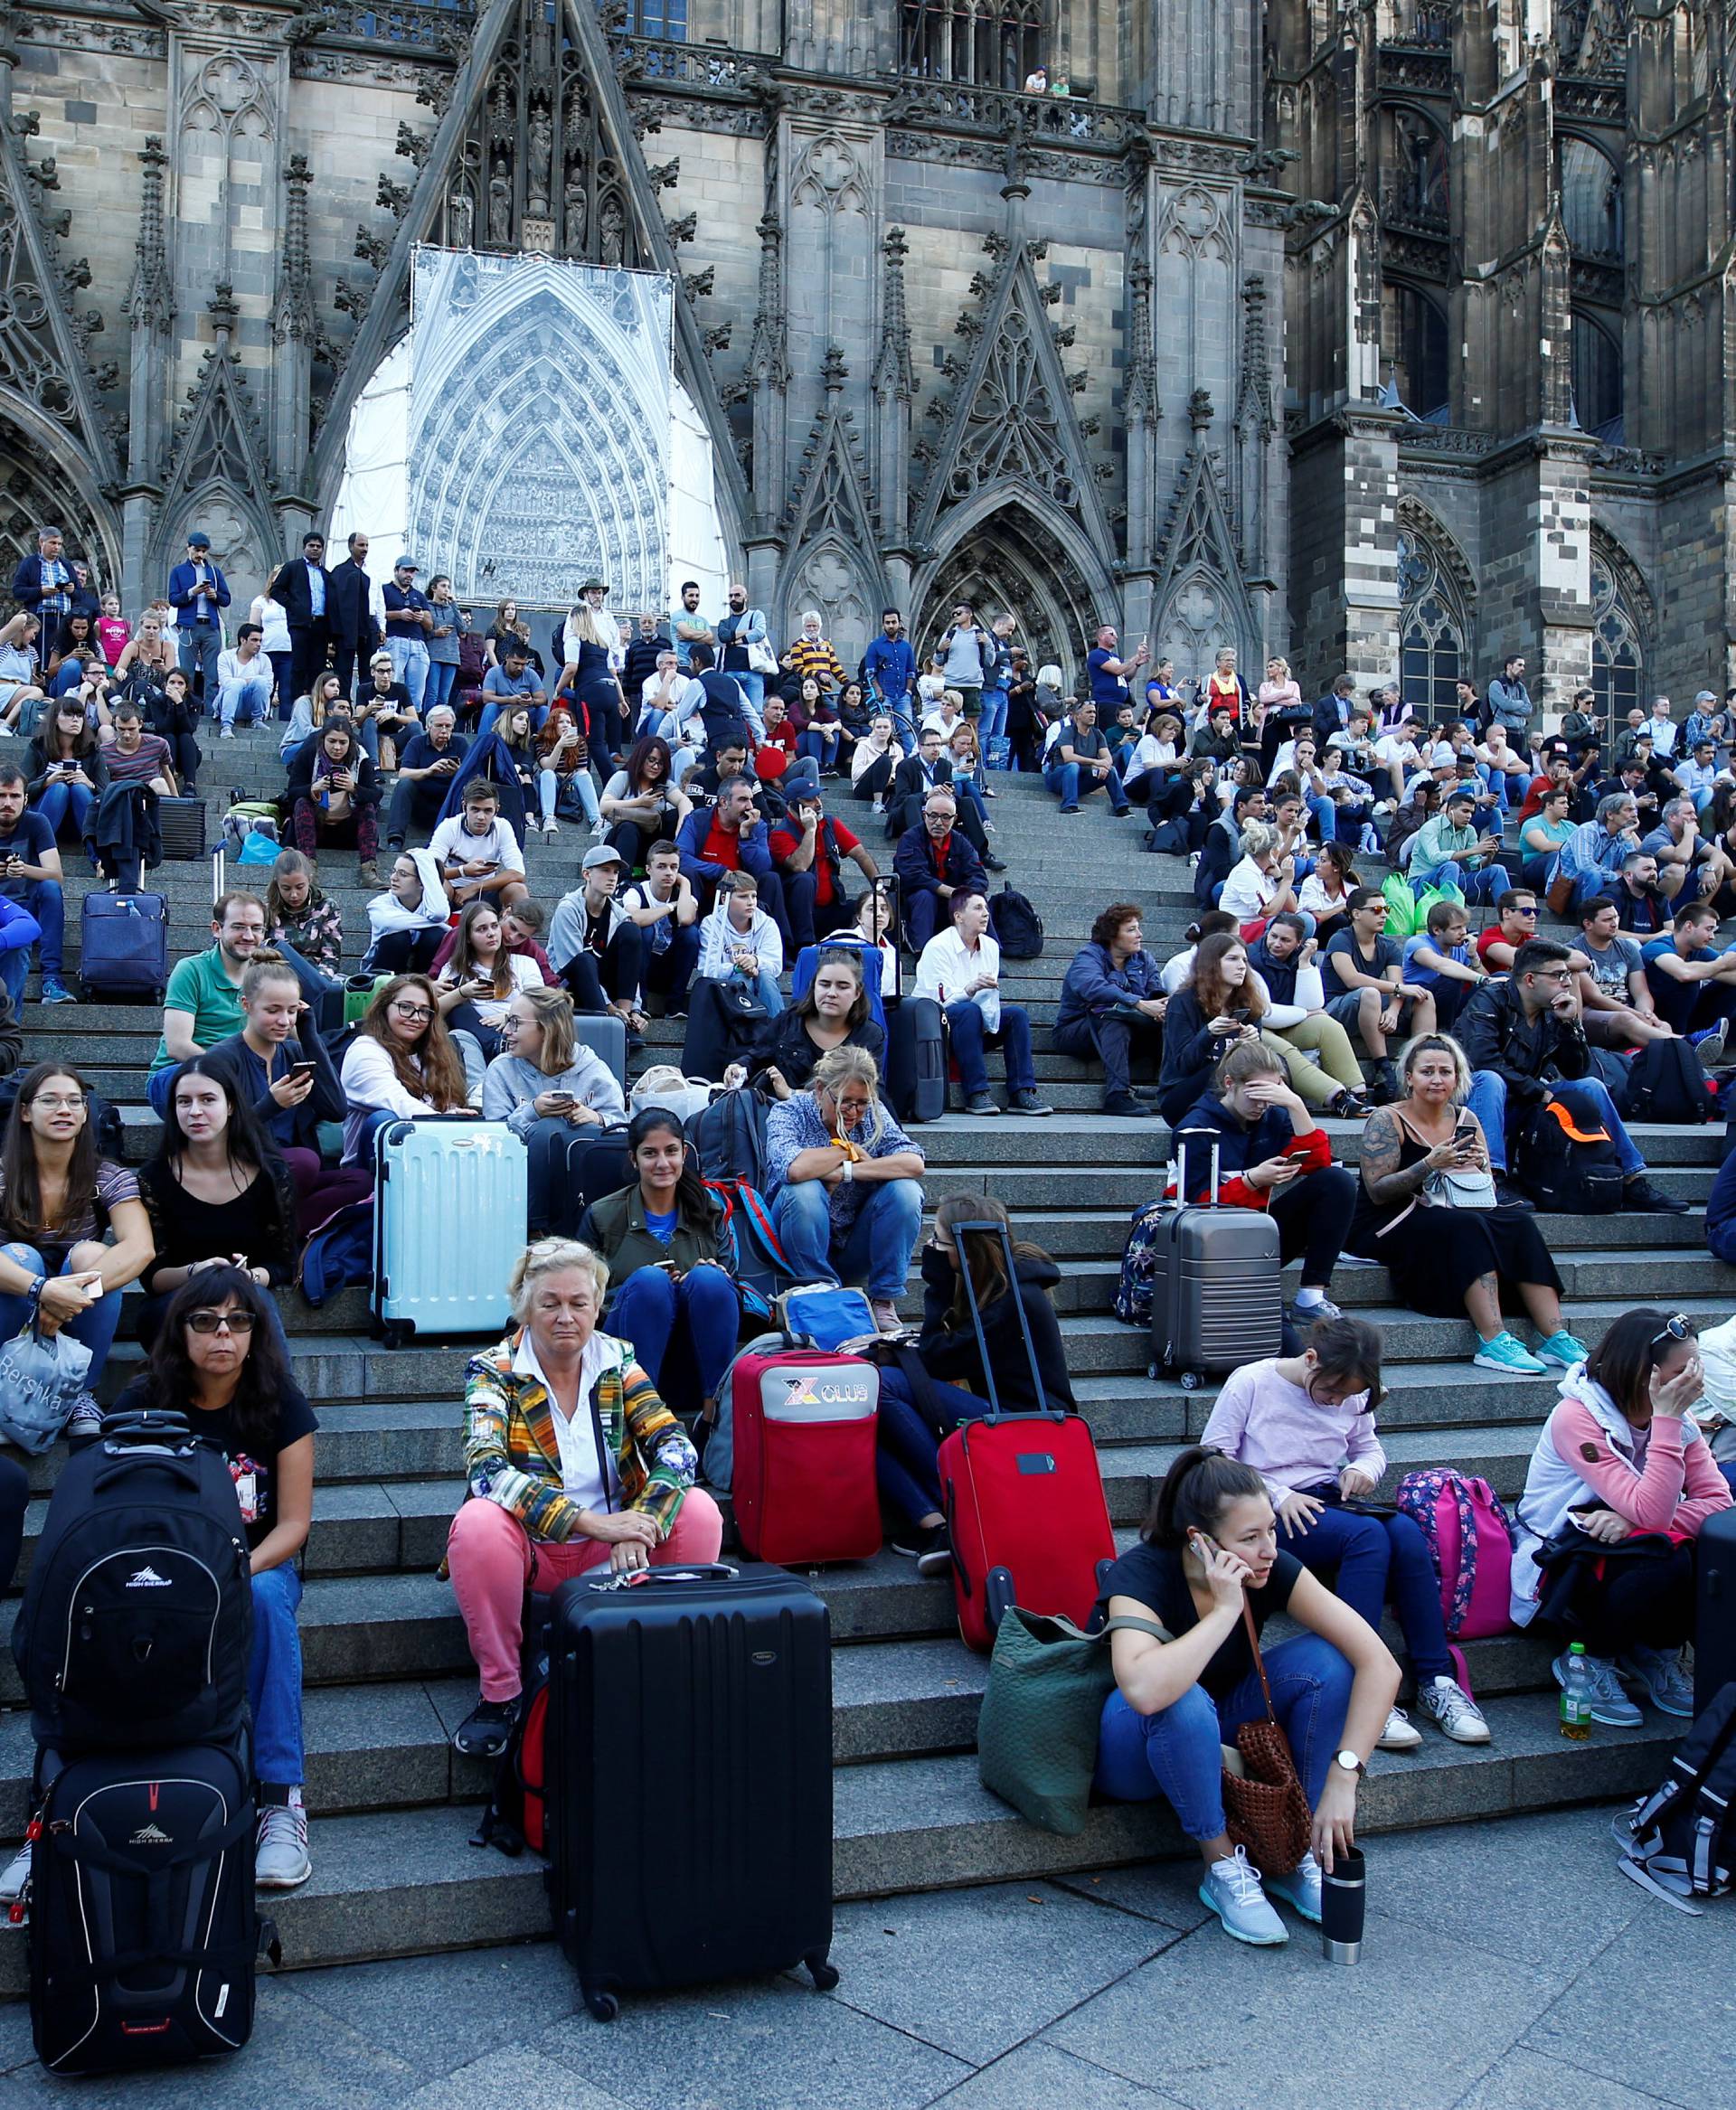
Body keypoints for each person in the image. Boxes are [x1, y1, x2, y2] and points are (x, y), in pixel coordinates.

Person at [1094, 1445, 1399, 1945]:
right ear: (1200, 1543)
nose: (1269, 1550)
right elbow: (1145, 1691)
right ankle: (1222, 1868)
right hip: (1133, 1749)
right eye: (1250, 1537)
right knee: (1182, 1698)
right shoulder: (1140, 1574)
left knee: (1330, 1662)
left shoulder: (1269, 1566)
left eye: (1272, 1530)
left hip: (1220, 1728)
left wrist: (1344, 1777)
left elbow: (1379, 1663)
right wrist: (1222, 1612)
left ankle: (1288, 1844)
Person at [446, 1239, 724, 1756]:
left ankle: (664, 1672)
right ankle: (502, 1694)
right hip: (531, 1550)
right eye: (550, 1303)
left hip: (614, 1551)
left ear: (598, 1306)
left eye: (579, 1303)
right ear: (525, 1307)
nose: (565, 1317)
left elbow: (677, 1448)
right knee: (478, 1522)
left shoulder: (619, 1362)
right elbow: (485, 1470)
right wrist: (597, 1525)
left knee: (700, 1511)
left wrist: (639, 1520)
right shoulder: (492, 1370)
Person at [107, 1268, 316, 1887]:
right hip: (158, 1567)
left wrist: (233, 1572)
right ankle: (67, 1801)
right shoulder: (141, 1403)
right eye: (205, 1320)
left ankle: (280, 1799)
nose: (222, 1333)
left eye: (238, 1320)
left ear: (254, 1333)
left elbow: (294, 1525)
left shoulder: (282, 1404)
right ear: (182, 1330)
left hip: (256, 1567)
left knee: (263, 1598)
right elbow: (111, 1511)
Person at [1200, 1316, 1489, 1752]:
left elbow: (1370, 1449)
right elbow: (1213, 1459)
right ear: (1310, 1359)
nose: (1337, 1402)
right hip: (1266, 1512)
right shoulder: (1253, 1382)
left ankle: (1437, 1680)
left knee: (1407, 1534)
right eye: (1332, 1391)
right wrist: (1277, 1496)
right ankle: (1364, 1682)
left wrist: (1360, 1470)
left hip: (1329, 1499)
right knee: (1368, 1538)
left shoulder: (1353, 1396)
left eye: (1347, 1396)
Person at [1510, 1308, 1730, 1723]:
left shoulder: (1678, 1422)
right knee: (1666, 1555)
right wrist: (1665, 1422)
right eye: (1683, 1370)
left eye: (1696, 1368)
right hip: (1561, 1558)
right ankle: (1589, 1658)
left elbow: (1718, 1502)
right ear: (1642, 1373)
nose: (1695, 1382)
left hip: (1624, 1544)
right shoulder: (1578, 1416)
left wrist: (1633, 1521)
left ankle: (1657, 1652)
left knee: (1707, 1548)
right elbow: (1654, 1511)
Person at [1350, 1033, 1586, 1373]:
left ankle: (1555, 1337)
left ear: (1457, 1078)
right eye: (1427, 1071)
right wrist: (1429, 1164)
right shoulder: (1387, 1120)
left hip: (1448, 1208)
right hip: (1385, 1220)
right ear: (1409, 1077)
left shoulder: (1466, 1119)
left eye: (1445, 1072)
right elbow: (1377, 1191)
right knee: (1468, 1227)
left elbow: (1485, 1186)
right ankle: (1493, 1340)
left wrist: (1476, 1166)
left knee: (1519, 1222)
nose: (1436, 1079)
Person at [874, 1194, 1074, 1571]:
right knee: (861, 1421)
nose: (930, 1249)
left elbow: (936, 1356)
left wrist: (936, 1277)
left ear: (966, 1253)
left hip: (1028, 1424)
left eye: (937, 1242)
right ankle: (936, 1523)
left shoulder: (1013, 1299)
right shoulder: (996, 1282)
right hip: (1000, 1412)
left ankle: (963, 1507)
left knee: (884, 1385)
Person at [1458, 937, 1688, 1212]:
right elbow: (1482, 1058)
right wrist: (1537, 1090)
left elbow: (1576, 1070)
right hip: (1478, 1105)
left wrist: (1571, 1026)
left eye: (1567, 974)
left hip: (1526, 1104)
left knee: (1590, 1086)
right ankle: (1492, 1178)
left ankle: (1629, 1178)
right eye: (1558, 975)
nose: (1567, 982)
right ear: (1530, 979)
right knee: (1490, 1079)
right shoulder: (1490, 1000)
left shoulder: (1552, 1012)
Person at [0, 1061, 154, 1427]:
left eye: (74, 1101)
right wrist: (42, 1290)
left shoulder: (106, 1176)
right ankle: (5, 1387)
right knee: (17, 1256)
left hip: (76, 1303)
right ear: (25, 1111)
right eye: (50, 1101)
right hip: (17, 1290)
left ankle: (80, 1394)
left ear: (86, 1114)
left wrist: (65, 1300)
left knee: (93, 1254)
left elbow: (141, 1247)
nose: (64, 1110)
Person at [1174, 1040, 1358, 1322]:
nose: (1262, 1105)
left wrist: (1296, 1105)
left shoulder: (1274, 1116)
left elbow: (1319, 1163)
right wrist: (1251, 1181)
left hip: (1259, 1235)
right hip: (1209, 1248)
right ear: (1229, 1083)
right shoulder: (1196, 1128)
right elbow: (1192, 1208)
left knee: (1337, 1182)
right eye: (1256, 1095)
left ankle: (1311, 1297)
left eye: (1270, 1095)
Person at [573, 1109, 740, 1419]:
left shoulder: (710, 1211)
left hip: (698, 1353)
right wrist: (643, 1289)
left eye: (671, 1151)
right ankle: (640, 1417)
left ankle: (712, 1417)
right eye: (650, 1153)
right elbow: (581, 1298)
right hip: (630, 1348)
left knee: (710, 1281)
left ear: (684, 1153)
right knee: (650, 1282)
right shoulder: (602, 1216)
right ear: (634, 1159)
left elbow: (733, 1290)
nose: (663, 1163)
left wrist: (699, 1280)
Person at [135, 1057, 298, 1354]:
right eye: (184, 1102)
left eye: (208, 1099)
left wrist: (248, 1278)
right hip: (175, 1303)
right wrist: (200, 1272)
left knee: (252, 1301)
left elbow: (284, 1263)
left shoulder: (271, 1174)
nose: (195, 1111)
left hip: (246, 1302)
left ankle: (278, 1398)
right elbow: (152, 1278)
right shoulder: (154, 1177)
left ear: (231, 1105)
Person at [206, 953, 370, 1235]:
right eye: (273, 1010)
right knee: (304, 1161)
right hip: (238, 1171)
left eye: (292, 1011)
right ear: (247, 1005)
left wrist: (308, 1032)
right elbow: (213, 1136)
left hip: (290, 1178)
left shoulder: (294, 1052)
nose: (284, 1020)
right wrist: (271, 1105)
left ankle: (276, 1234)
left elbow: (336, 1109)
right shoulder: (222, 1058)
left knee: (361, 1180)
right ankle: (276, 1236)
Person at [763, 1045, 924, 1333]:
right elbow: (795, 1168)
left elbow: (913, 1162)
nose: (853, 1112)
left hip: (851, 1240)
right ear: (821, 1089)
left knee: (906, 1193)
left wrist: (846, 1172)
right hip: (794, 1241)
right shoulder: (788, 1112)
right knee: (804, 1190)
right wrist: (847, 1150)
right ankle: (818, 1293)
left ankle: (883, 1298)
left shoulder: (874, 1112)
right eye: (844, 1102)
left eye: (862, 1103)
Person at [914, 888, 1052, 1116]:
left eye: (986, 908)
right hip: (936, 1028)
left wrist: (988, 1024)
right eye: (978, 908)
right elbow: (940, 1003)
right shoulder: (937, 947)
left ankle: (1021, 1092)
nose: (986, 914)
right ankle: (976, 1092)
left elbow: (989, 1000)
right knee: (968, 1010)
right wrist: (970, 989)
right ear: (958, 916)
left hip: (973, 1026)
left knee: (1017, 1015)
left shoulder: (989, 947)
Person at [147, 890, 268, 1117]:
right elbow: (177, 1046)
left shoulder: (265, 976)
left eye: (256, 928)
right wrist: (233, 1074)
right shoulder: (191, 970)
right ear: (217, 929)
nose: (249, 936)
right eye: (239, 927)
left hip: (239, 1076)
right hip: (178, 1073)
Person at [339, 973, 476, 1163]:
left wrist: (454, 1116)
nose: (415, 1017)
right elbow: (395, 1099)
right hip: (368, 1167)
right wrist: (445, 1122)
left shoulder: (437, 1054)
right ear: (384, 1007)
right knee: (385, 1120)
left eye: (425, 1011)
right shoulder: (364, 1049)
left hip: (431, 1157)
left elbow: (447, 1105)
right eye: (405, 1007)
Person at [1246, 916, 1372, 1116]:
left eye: (1285, 940)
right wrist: (1305, 1013)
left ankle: (1357, 1092)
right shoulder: (1250, 958)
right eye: (1273, 936)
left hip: (1288, 1022)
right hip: (1254, 1028)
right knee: (1285, 1050)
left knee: (1328, 1025)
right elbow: (1265, 1013)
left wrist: (1305, 962)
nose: (1276, 943)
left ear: (1298, 943)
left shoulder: (1302, 957)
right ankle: (1337, 1097)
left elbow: (1314, 1004)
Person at [1321, 886, 1438, 1100]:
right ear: (1356, 914)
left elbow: (1397, 984)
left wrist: (1393, 1011)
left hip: (1371, 1006)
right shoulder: (1340, 939)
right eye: (1376, 909)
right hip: (1336, 1012)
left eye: (1387, 908)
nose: (1383, 914)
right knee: (1371, 993)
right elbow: (1352, 979)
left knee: (1425, 996)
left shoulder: (1388, 945)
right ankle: (1383, 1068)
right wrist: (1397, 990)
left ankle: (1422, 1062)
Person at [1054, 902, 1167, 1117]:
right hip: (1078, 1030)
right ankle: (1117, 1095)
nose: (1139, 934)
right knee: (1115, 1019)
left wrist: (1161, 1005)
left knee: (1172, 1021)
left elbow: (1155, 989)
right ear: (1112, 936)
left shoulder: (1144, 959)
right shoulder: (1088, 956)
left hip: (1131, 1029)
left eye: (1138, 928)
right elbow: (1092, 987)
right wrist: (1137, 1002)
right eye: (1131, 930)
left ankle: (1173, 1089)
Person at [483, 983, 626, 1135]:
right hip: (523, 1157)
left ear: (547, 1029)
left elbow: (622, 1128)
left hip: (581, 1155)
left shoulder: (593, 1069)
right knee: (547, 1129)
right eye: (507, 1021)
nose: (506, 1030)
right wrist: (533, 1112)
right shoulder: (501, 1069)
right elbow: (494, 1135)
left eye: (515, 1022)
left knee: (587, 1129)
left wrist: (596, 1118)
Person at [759, 945, 884, 1098]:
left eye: (842, 987)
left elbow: (872, 1092)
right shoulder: (788, 1020)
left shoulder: (870, 1035)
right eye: (824, 984)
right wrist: (739, 1067)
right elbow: (756, 1057)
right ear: (814, 986)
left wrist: (794, 1094)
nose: (831, 993)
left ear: (857, 993)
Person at [548, 844, 647, 1031]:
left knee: (631, 930)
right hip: (568, 986)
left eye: (616, 872)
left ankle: (626, 1022)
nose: (612, 877)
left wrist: (635, 1010)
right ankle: (611, 1025)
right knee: (585, 960)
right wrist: (609, 1008)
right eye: (604, 870)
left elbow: (630, 967)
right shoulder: (568, 909)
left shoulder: (619, 915)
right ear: (587, 874)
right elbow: (569, 961)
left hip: (603, 986)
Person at [768, 784, 879, 951]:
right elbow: (800, 865)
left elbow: (860, 854)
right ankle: (804, 947)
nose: (818, 803)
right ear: (793, 805)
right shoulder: (780, 833)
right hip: (798, 915)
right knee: (804, 879)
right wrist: (810, 830)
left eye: (818, 797)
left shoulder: (830, 823)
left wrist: (880, 887)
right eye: (810, 800)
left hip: (831, 908)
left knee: (870, 908)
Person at [435, 900, 544, 1059]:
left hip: (518, 1031)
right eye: (481, 929)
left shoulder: (525, 963)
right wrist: (462, 993)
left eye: (494, 926)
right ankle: (495, 1045)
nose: (491, 933)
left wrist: (510, 1016)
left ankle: (499, 1044)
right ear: (468, 937)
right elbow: (434, 1011)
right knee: (458, 1009)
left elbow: (540, 1003)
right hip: (473, 1039)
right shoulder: (454, 968)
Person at [0, 764, 64, 1007]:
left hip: (27, 910)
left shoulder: (37, 822)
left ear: (26, 799)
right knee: (17, 947)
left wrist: (24, 869)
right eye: (1, 795)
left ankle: (52, 977)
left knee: (50, 888)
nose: (8, 802)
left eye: (14, 796)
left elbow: (56, 875)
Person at [288, 718, 380, 884]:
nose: (337, 748)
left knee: (368, 807)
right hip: (317, 825)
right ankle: (308, 869)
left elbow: (375, 795)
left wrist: (354, 788)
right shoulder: (308, 755)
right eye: (332, 741)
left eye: (343, 742)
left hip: (348, 828)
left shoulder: (361, 758)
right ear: (323, 739)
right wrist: (313, 788)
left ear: (350, 742)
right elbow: (292, 793)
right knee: (302, 803)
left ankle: (369, 871)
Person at [892, 789, 986, 951]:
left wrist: (965, 894)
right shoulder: (910, 838)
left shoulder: (961, 842)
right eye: (933, 815)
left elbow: (978, 876)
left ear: (954, 819)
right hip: (917, 902)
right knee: (924, 895)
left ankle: (984, 952)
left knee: (978, 900)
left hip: (952, 901)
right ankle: (921, 952)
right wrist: (948, 891)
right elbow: (912, 875)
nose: (938, 822)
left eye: (945, 817)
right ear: (924, 815)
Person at [619, 840, 700, 1018]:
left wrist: (685, 882)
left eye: (674, 867)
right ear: (649, 869)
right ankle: (641, 1005)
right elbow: (634, 918)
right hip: (641, 969)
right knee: (644, 930)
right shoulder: (636, 892)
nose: (669, 873)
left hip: (669, 969)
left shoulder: (683, 894)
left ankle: (675, 1005)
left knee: (691, 934)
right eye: (662, 866)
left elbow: (686, 919)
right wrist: (670, 907)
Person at [26, 696, 107, 869]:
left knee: (78, 788)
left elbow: (107, 794)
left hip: (81, 819)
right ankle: (34, 855)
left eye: (79, 715)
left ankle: (99, 860)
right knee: (59, 788)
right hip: (46, 815)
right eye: (69, 715)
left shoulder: (93, 751)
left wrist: (89, 784)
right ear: (55, 718)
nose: (76, 720)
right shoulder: (38, 746)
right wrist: (47, 782)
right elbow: (23, 790)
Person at [1640, 900, 1736, 1044]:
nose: (1712, 937)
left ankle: (1723, 1044)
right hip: (1654, 1017)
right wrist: (1723, 963)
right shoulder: (1658, 947)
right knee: (1688, 982)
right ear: (1689, 926)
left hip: (1688, 1014)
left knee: (1730, 988)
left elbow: (1729, 975)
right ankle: (1681, 1042)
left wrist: (1719, 967)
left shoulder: (1698, 950)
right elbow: (1684, 973)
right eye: (1709, 929)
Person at [428, 777, 528, 910]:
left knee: (518, 889)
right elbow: (428, 869)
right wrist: (463, 871)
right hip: (452, 890)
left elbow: (518, 873)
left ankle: (516, 930)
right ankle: (435, 929)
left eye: (487, 811)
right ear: (464, 807)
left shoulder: (503, 826)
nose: (481, 817)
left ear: (496, 810)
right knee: (437, 885)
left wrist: (475, 887)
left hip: (486, 890)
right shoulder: (449, 826)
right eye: (475, 809)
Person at [694, 870, 783, 1018]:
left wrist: (755, 961)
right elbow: (708, 970)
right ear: (725, 899)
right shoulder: (711, 923)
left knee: (766, 977)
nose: (751, 902)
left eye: (754, 896)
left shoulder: (767, 923)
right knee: (742, 980)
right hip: (725, 989)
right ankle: (743, 1036)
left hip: (761, 981)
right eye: (743, 896)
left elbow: (775, 966)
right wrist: (738, 968)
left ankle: (779, 1033)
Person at [600, 736, 691, 866]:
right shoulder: (623, 777)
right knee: (629, 828)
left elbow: (685, 802)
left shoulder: (664, 785)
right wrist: (639, 802)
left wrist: (681, 826)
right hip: (620, 840)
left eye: (660, 763)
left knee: (674, 816)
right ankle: (622, 880)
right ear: (641, 758)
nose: (655, 766)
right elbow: (604, 806)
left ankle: (664, 869)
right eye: (651, 760)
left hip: (649, 841)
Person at [264, 848, 344, 989]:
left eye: (300, 887)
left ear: (309, 879)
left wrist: (317, 983)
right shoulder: (267, 910)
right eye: (286, 888)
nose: (294, 895)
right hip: (275, 977)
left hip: (314, 977)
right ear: (277, 885)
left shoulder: (326, 907)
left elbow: (331, 957)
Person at [363, 849, 449, 975]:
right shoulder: (378, 904)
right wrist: (441, 924)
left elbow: (439, 914)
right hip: (384, 972)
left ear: (422, 882)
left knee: (435, 935)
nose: (393, 878)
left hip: (423, 970)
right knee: (398, 938)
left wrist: (424, 859)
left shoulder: (432, 905)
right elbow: (390, 922)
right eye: (394, 871)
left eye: (403, 874)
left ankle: (426, 986)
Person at [269, 531, 331, 708]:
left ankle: (314, 708)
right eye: (311, 546)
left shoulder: (326, 574)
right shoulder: (292, 567)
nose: (315, 549)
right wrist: (294, 607)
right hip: (300, 625)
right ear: (304, 548)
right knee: (298, 667)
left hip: (320, 626)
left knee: (317, 668)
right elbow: (276, 590)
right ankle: (296, 707)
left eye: (318, 547)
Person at [167, 531, 230, 701]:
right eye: (196, 550)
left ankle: (210, 713)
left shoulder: (215, 572)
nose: (200, 554)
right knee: (186, 674)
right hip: (189, 627)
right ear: (188, 548)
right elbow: (173, 599)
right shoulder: (178, 571)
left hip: (210, 626)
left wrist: (215, 595)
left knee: (212, 674)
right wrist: (191, 592)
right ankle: (186, 709)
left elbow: (226, 599)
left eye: (203, 551)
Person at [1043, 697, 1133, 816]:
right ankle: (1069, 805)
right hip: (1058, 779)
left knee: (1110, 770)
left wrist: (1104, 766)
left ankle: (1122, 808)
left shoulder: (1097, 734)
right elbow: (1068, 757)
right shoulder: (1067, 732)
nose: (1093, 715)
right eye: (1088, 712)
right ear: (1077, 716)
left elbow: (1108, 758)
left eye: (1094, 712)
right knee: (1073, 766)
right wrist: (1096, 762)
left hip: (1081, 780)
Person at [215, 621, 274, 735]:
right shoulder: (225, 656)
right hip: (230, 703)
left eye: (260, 641)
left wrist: (247, 682)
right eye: (254, 640)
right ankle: (226, 726)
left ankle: (257, 720)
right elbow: (226, 682)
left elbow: (268, 687)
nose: (258, 644)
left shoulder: (264, 659)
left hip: (253, 705)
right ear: (243, 640)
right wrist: (247, 682)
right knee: (234, 685)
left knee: (261, 681)